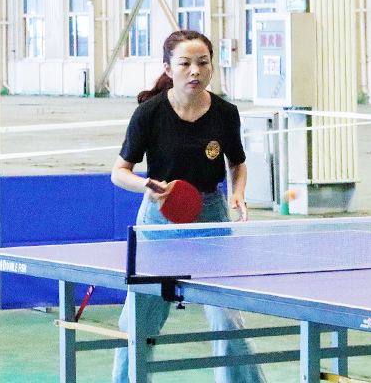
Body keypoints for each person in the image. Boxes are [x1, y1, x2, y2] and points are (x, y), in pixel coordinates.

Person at [110, 30, 266, 383]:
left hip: (211, 218)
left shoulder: (225, 113)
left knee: (228, 317)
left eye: (202, 62)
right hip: (159, 220)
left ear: (211, 67)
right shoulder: (149, 113)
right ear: (168, 68)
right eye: (185, 63)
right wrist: (146, 185)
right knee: (138, 319)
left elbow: (237, 162)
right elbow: (119, 172)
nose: (195, 70)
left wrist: (237, 193)